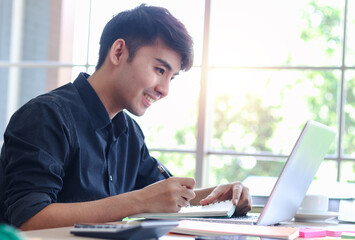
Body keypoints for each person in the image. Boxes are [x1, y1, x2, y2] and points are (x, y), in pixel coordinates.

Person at [0, 4, 251, 230]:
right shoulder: (46, 116)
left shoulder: (129, 131)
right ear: (119, 52)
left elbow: (166, 195)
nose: (164, 90)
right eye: (159, 70)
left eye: (171, 77)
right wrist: (137, 201)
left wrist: (223, 196)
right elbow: (29, 219)